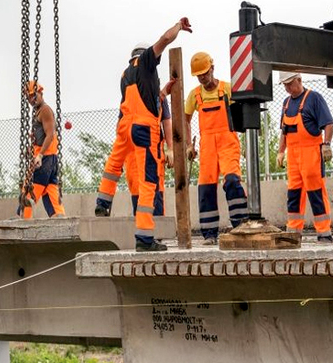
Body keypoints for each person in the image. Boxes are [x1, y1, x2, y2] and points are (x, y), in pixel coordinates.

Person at [97, 17, 192, 251]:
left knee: (114, 164)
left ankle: (103, 203)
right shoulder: (147, 62)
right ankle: (145, 239)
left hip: (124, 128)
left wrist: (162, 93)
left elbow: (141, 99)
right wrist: (179, 26)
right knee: (149, 183)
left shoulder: (126, 74)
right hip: (144, 130)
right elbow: (165, 39)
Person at [185, 52, 248, 245]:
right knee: (206, 188)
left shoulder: (227, 90)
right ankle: (209, 234)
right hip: (207, 147)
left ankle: (241, 226)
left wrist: (246, 142)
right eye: (199, 75)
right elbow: (185, 120)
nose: (202, 78)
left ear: (212, 68)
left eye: (204, 73)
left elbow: (242, 115)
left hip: (228, 142)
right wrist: (189, 145)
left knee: (231, 181)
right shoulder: (195, 95)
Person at [96, 77, 175, 217]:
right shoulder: (132, 95)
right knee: (141, 191)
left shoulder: (154, 95)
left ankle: (151, 231)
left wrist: (170, 148)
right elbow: (121, 125)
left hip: (149, 150)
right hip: (137, 152)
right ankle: (145, 231)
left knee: (152, 190)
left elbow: (166, 121)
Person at [276, 71, 333, 241]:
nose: (287, 88)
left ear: (299, 80)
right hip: (293, 156)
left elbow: (329, 123)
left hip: (311, 153)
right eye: (285, 85)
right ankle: (293, 233)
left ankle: (324, 233)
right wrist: (281, 151)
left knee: (316, 192)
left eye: (289, 84)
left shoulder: (314, 98)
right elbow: (284, 131)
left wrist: (326, 145)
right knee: (293, 194)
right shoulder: (286, 103)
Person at [19, 81, 66, 219]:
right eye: (29, 98)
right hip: (49, 159)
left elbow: (50, 135)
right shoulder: (38, 111)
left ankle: (24, 220)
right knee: (50, 190)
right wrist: (30, 151)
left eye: (34, 96)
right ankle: (59, 217)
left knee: (28, 189)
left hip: (45, 158)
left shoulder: (45, 110)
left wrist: (39, 155)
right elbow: (41, 138)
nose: (31, 100)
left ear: (40, 93)